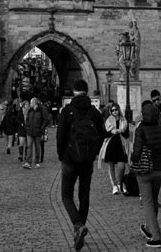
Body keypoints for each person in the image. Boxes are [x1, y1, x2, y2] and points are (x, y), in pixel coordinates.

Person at [57, 79, 105, 251]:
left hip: (69, 159)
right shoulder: (94, 112)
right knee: (84, 196)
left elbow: (60, 135)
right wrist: (94, 152)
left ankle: (78, 225)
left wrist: (61, 155)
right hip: (87, 161)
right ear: (87, 91)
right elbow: (102, 134)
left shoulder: (67, 110)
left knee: (66, 195)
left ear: (74, 92)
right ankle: (80, 228)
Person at [131, 100, 161, 248]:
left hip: (144, 171)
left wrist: (132, 159)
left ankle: (155, 237)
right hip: (159, 170)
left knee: (147, 203)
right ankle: (148, 228)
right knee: (153, 200)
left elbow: (136, 153)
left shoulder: (140, 129)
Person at [97, 102, 130, 194]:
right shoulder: (108, 121)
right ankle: (114, 186)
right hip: (111, 145)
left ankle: (119, 182)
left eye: (116, 110)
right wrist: (112, 131)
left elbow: (127, 135)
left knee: (121, 165)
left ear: (119, 110)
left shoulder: (124, 120)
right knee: (111, 166)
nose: (115, 112)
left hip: (121, 145)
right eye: (112, 110)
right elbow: (104, 134)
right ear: (110, 111)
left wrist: (121, 131)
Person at [23, 97, 47, 169]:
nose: (30, 104)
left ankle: (37, 162)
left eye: (31, 103)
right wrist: (27, 127)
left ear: (35, 103)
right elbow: (27, 119)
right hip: (30, 131)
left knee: (37, 147)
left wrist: (41, 129)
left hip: (38, 131)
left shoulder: (41, 110)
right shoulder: (30, 111)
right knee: (29, 146)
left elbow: (46, 120)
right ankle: (28, 162)